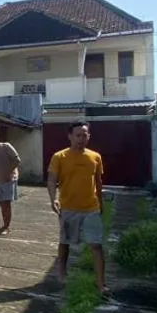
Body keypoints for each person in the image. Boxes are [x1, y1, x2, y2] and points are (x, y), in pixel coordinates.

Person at [47, 120, 107, 297]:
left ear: (89, 136)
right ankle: (62, 273)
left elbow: (98, 182)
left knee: (96, 245)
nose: (81, 139)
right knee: (65, 242)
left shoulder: (95, 157)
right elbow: (52, 180)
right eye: (78, 135)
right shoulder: (59, 157)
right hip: (68, 208)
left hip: (91, 208)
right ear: (70, 136)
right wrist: (53, 199)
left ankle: (101, 284)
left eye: (84, 135)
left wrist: (101, 203)